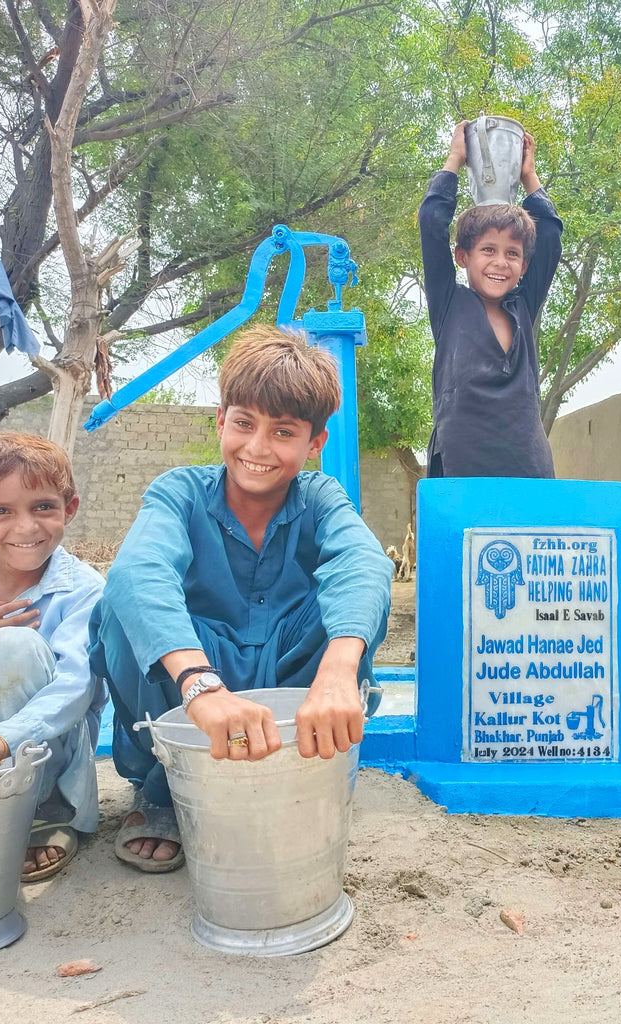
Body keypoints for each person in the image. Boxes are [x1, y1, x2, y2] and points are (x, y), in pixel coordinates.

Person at [90, 326, 392, 872]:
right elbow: (140, 572)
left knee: (350, 607)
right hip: (197, 671)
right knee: (119, 606)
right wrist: (200, 685)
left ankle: (299, 772)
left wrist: (337, 672)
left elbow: (362, 564)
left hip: (287, 670)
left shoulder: (321, 497)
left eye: (283, 431)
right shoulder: (179, 491)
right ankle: (163, 789)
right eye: (244, 423)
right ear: (221, 420)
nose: (257, 448)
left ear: (315, 442)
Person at [0, 433, 106, 881]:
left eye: (43, 507)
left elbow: (75, 687)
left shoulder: (83, 589)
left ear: (68, 508)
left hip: (44, 756)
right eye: (0, 511)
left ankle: (39, 813)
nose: (26, 527)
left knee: (15, 645)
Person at [418, 120, 563, 478]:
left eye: (512, 254)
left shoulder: (523, 306)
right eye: (488, 250)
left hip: (526, 469)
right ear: (462, 257)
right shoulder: (449, 303)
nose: (500, 262)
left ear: (524, 265)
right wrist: (454, 160)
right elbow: (431, 223)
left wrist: (529, 176)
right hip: (459, 470)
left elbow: (550, 239)